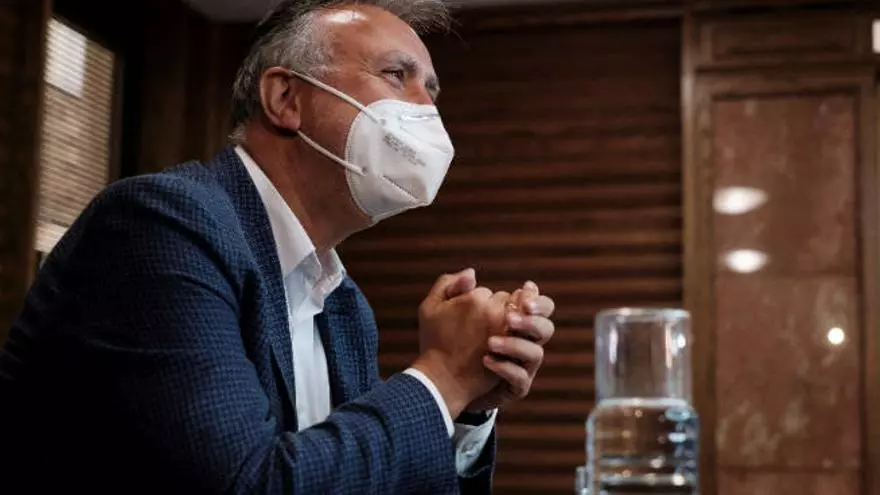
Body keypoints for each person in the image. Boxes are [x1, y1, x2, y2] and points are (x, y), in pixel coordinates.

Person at [0, 1, 557, 494]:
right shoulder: (160, 224)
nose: (426, 111)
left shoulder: (342, 303)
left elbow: (355, 479)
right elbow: (248, 482)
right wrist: (443, 377)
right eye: (397, 75)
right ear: (285, 98)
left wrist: (464, 407)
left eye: (431, 91)